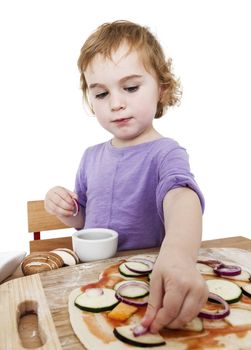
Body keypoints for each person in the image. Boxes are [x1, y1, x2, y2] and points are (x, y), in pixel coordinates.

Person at [45, 20, 208, 332]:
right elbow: (85, 222)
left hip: (143, 284)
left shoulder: (166, 153)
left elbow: (182, 198)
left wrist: (178, 256)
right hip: (90, 282)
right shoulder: (91, 156)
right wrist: (67, 209)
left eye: (130, 88)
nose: (116, 103)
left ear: (162, 87)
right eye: (102, 93)